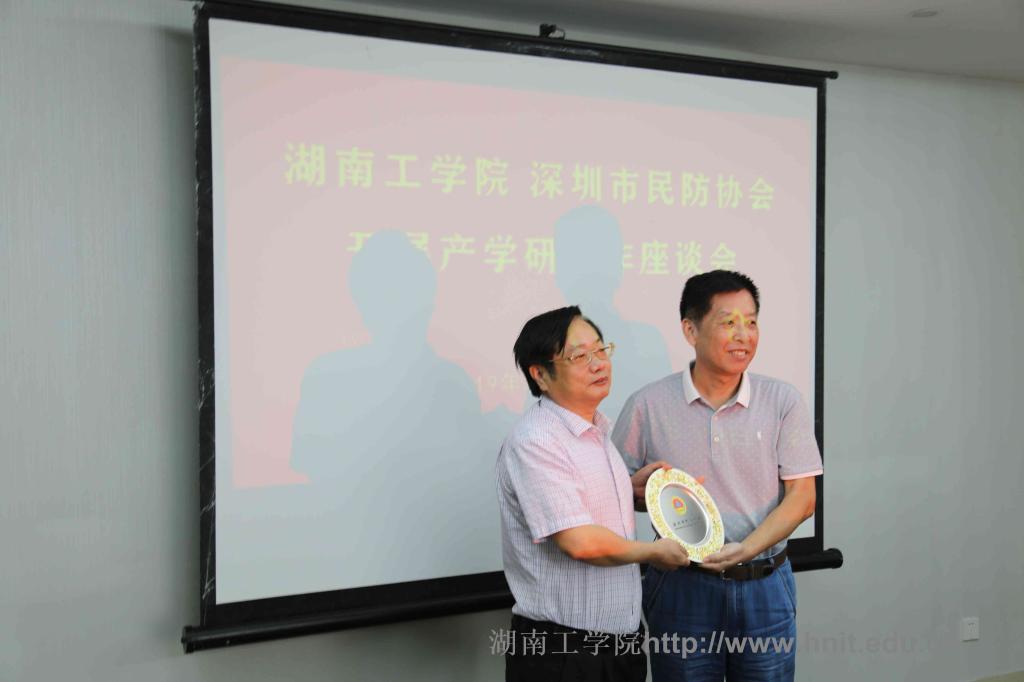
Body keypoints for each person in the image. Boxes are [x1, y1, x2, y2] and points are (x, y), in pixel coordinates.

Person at [612, 271, 823, 681]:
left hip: (764, 582)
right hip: (682, 586)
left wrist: (746, 548)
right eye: (728, 322)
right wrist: (641, 492)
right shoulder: (647, 405)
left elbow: (803, 497)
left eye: (751, 322)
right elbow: (615, 495)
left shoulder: (782, 400)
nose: (743, 335)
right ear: (690, 330)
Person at [496, 305, 691, 682]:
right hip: (563, 652)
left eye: (601, 349)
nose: (599, 363)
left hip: (620, 645)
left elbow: (581, 504)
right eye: (580, 356)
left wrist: (634, 491)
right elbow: (579, 541)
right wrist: (653, 552)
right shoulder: (536, 441)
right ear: (540, 374)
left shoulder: (596, 431)